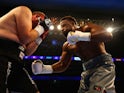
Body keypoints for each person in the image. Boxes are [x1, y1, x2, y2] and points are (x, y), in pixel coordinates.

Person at [32, 16, 116, 93]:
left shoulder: (87, 28)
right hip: (86, 71)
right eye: (61, 27)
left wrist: (82, 36)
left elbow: (108, 35)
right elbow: (62, 64)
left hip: (103, 66)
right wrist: (44, 69)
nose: (62, 29)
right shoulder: (67, 45)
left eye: (64, 25)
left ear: (73, 24)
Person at [0, 5, 52, 93]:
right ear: (36, 17)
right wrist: (42, 27)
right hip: (3, 53)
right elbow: (25, 38)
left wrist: (40, 38)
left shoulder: (26, 32)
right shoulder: (24, 10)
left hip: (16, 60)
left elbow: (27, 52)